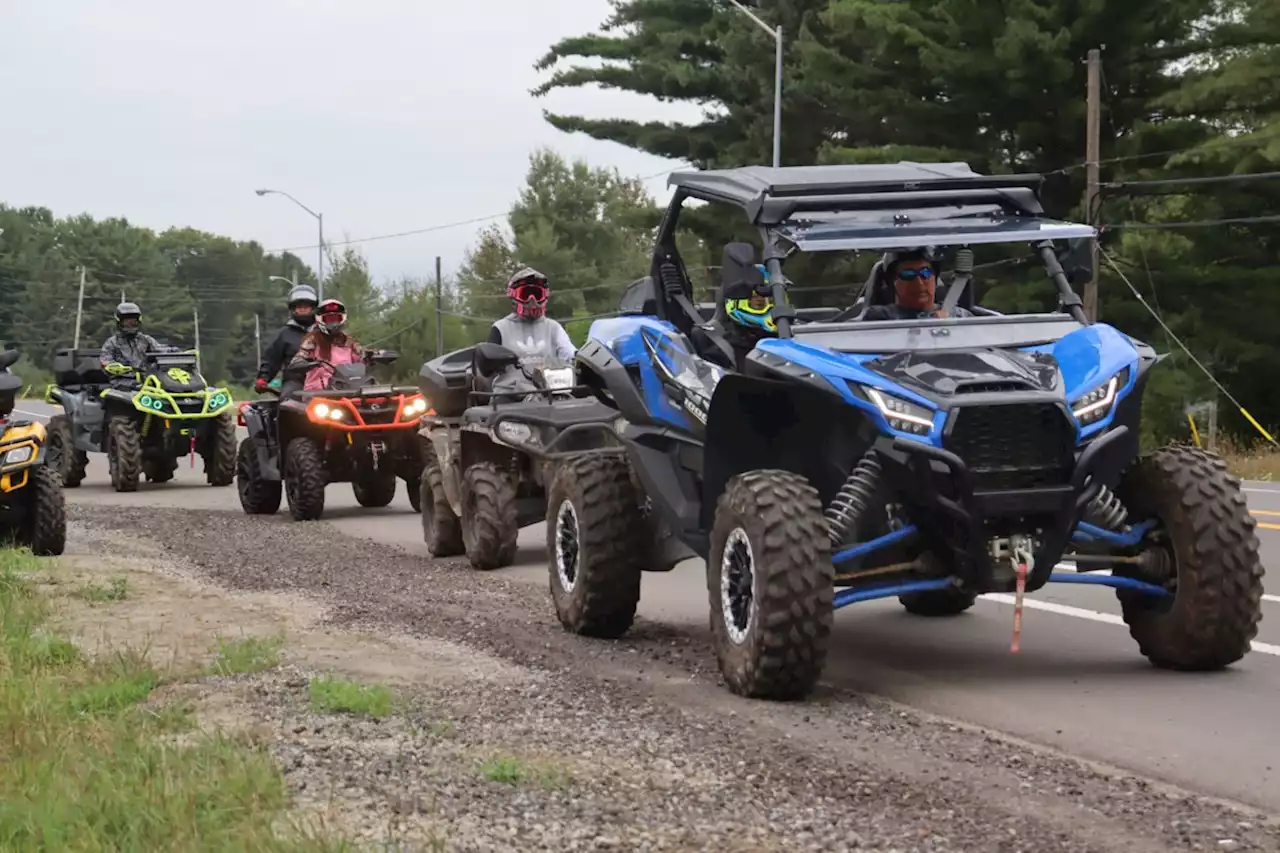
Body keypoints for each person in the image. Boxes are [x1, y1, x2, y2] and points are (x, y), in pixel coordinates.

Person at [486, 267, 576, 363]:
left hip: (549, 378)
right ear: (513, 296)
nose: (532, 300)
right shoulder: (500, 328)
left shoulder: (554, 328)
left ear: (545, 296)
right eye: (525, 294)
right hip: (512, 378)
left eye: (537, 294)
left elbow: (570, 354)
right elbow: (488, 364)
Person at [862, 248, 973, 321]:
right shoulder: (880, 319)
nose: (919, 283)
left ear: (934, 277)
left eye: (925, 273)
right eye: (908, 275)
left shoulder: (959, 316)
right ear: (892, 282)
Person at [286, 297, 364, 394]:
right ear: (320, 319)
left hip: (346, 391)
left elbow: (362, 355)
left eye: (336, 318)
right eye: (329, 319)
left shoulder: (349, 341)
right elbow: (298, 358)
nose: (333, 323)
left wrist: (377, 355)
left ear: (342, 319)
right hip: (318, 394)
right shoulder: (312, 340)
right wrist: (303, 363)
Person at [255, 284, 317, 393]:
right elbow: (271, 359)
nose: (302, 309)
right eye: (299, 307)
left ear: (312, 308)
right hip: (296, 382)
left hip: (324, 381)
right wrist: (263, 379)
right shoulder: (284, 334)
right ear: (293, 309)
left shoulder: (324, 332)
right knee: (287, 400)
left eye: (306, 306)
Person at [100, 302, 166, 380]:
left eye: (133, 322)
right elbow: (106, 360)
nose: (130, 325)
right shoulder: (112, 342)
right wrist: (116, 367)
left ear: (138, 322)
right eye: (127, 322)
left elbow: (161, 350)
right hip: (121, 381)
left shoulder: (146, 340)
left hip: (147, 380)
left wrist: (178, 352)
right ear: (119, 323)